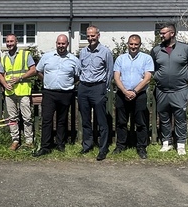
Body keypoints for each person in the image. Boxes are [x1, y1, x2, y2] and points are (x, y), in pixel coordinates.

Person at [150, 22, 188, 155]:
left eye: (163, 33)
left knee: (180, 117)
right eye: (160, 33)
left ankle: (181, 144)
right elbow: (152, 67)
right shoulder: (156, 50)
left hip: (180, 90)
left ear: (172, 33)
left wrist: (181, 77)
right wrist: (159, 77)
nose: (161, 35)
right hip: (162, 90)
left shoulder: (185, 49)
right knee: (164, 117)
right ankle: (166, 142)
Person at [33, 35, 81, 157]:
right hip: (49, 92)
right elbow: (38, 71)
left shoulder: (74, 60)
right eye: (59, 43)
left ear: (67, 44)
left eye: (63, 44)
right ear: (56, 43)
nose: (61, 46)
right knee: (47, 119)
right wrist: (47, 80)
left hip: (65, 93)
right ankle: (45, 146)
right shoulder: (47, 57)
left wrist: (67, 83)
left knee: (62, 120)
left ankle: (60, 144)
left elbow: (77, 76)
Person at [113, 34, 154, 159]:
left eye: (136, 44)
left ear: (140, 45)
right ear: (127, 44)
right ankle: (120, 145)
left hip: (139, 94)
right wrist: (125, 92)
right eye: (131, 44)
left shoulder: (146, 58)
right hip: (122, 94)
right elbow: (116, 77)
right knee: (121, 122)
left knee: (141, 123)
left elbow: (147, 78)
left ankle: (141, 147)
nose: (133, 47)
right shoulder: (120, 59)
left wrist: (135, 91)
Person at [77, 25, 114, 161]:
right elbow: (80, 69)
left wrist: (105, 88)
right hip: (84, 87)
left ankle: (103, 148)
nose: (90, 38)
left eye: (93, 35)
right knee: (85, 119)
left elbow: (110, 72)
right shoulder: (83, 52)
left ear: (98, 36)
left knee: (101, 120)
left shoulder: (106, 52)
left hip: (98, 87)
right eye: (88, 36)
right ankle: (87, 145)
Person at [0, 33, 38, 150]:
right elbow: (0, 74)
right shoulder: (4, 57)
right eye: (8, 42)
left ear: (16, 42)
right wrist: (5, 84)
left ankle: (29, 141)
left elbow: (34, 70)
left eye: (12, 41)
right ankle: (15, 140)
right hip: (10, 92)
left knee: (27, 117)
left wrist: (21, 78)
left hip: (23, 90)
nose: (9, 44)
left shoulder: (25, 54)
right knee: (12, 118)